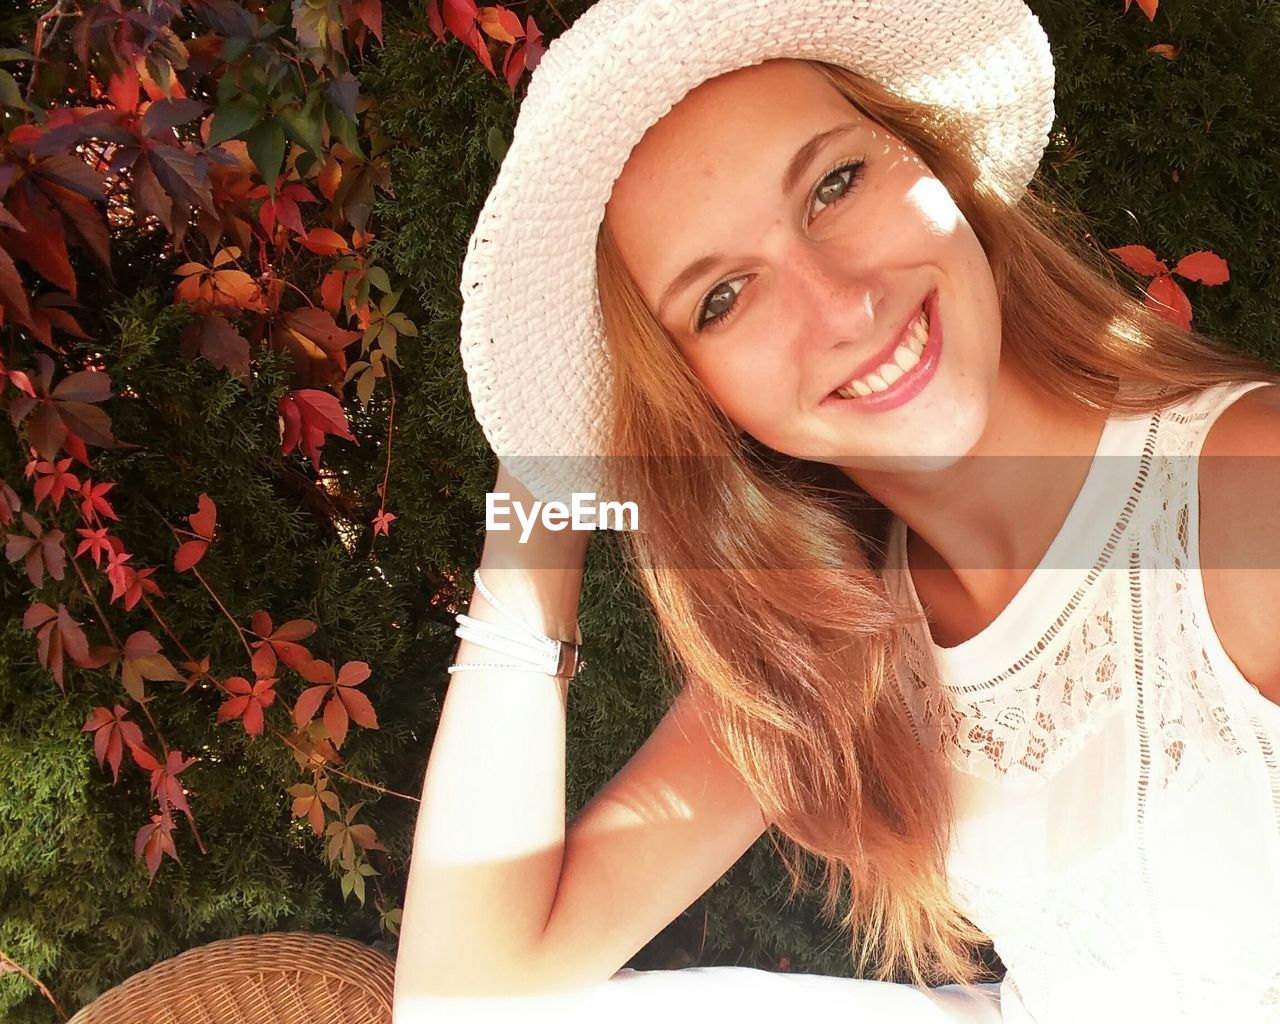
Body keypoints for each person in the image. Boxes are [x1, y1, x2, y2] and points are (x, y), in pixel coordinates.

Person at [392, 0, 1280, 1021]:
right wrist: (548, 483)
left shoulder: (1242, 499)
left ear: (933, 162)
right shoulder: (839, 634)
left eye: (834, 184)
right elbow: (469, 995)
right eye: (722, 297)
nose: (840, 304)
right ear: (698, 397)